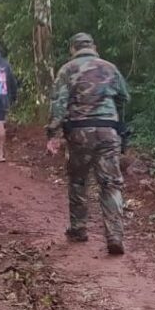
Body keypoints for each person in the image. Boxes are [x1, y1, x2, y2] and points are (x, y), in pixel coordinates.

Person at [45, 33, 130, 255]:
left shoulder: (67, 69)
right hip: (108, 131)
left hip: (79, 132)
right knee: (111, 184)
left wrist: (53, 134)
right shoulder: (110, 68)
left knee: (78, 180)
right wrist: (118, 124)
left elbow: (59, 104)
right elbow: (123, 98)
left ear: (72, 48)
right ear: (94, 46)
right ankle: (115, 235)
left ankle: (79, 228)